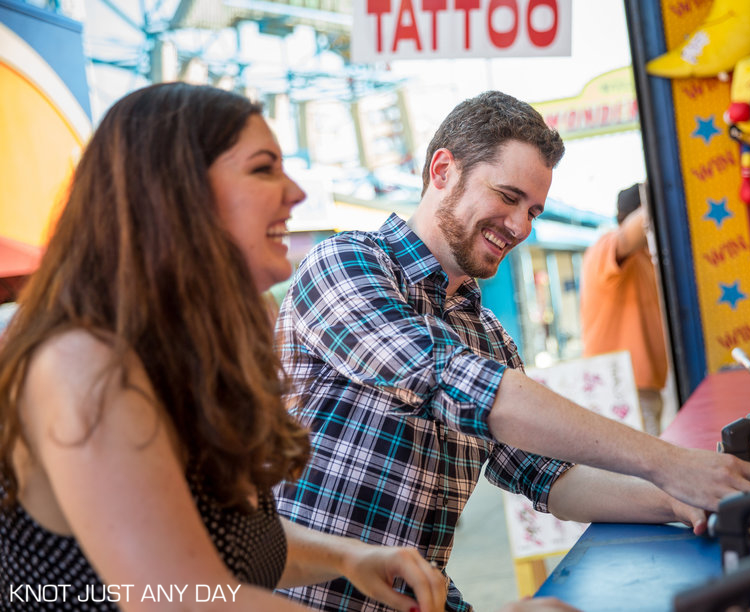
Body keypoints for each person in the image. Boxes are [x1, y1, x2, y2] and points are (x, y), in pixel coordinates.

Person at [273, 90, 750, 612]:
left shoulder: (488, 334)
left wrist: (682, 499)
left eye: (533, 209)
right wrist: (667, 462)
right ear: (442, 170)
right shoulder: (344, 261)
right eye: (507, 195)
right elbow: (451, 380)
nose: (520, 226)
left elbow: (548, 475)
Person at [0, 82, 448, 612]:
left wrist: (349, 557)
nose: (296, 192)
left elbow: (223, 542)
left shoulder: (204, 342)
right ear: (172, 193)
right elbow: (180, 597)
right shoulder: (81, 361)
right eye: (264, 169)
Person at [579, 183, 668, 436]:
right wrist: (661, 190)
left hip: (642, 389)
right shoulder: (604, 250)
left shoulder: (644, 261)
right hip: (618, 388)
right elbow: (632, 232)